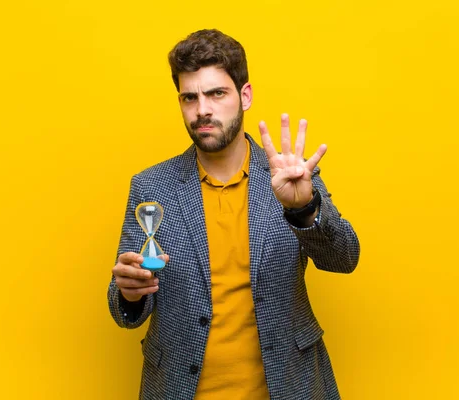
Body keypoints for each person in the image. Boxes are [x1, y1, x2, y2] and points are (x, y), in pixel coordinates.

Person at [107, 28, 360, 400]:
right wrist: (129, 293)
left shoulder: (288, 175)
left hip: (289, 386)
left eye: (216, 93)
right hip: (178, 388)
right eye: (189, 97)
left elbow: (344, 258)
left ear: (245, 96)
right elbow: (125, 304)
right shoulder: (151, 187)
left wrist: (303, 208)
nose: (202, 109)